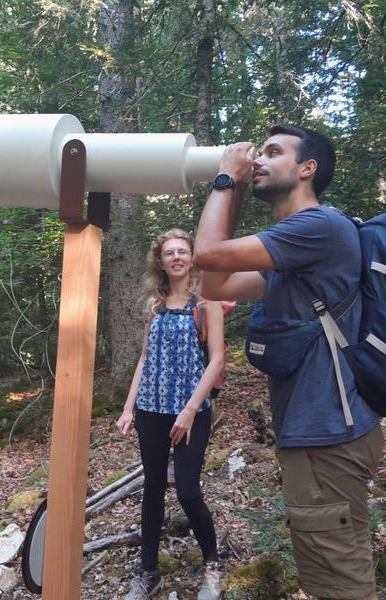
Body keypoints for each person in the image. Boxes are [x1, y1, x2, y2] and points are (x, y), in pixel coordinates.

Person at [193, 125, 383, 600]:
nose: (259, 159)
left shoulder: (318, 227)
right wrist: (237, 189)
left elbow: (206, 252)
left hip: (328, 433)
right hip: (317, 431)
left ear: (306, 169)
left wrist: (225, 178)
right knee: (328, 573)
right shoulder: (294, 252)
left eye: (273, 152)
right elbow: (213, 284)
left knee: (341, 582)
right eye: (258, 153)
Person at [117, 229, 225, 600]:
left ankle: (213, 565)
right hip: (151, 409)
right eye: (169, 253)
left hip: (191, 412)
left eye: (182, 251)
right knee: (152, 488)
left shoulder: (207, 301)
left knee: (189, 491)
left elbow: (217, 360)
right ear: (161, 262)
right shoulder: (156, 304)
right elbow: (145, 358)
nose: (176, 257)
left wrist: (190, 410)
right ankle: (149, 572)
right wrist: (129, 407)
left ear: (192, 257)